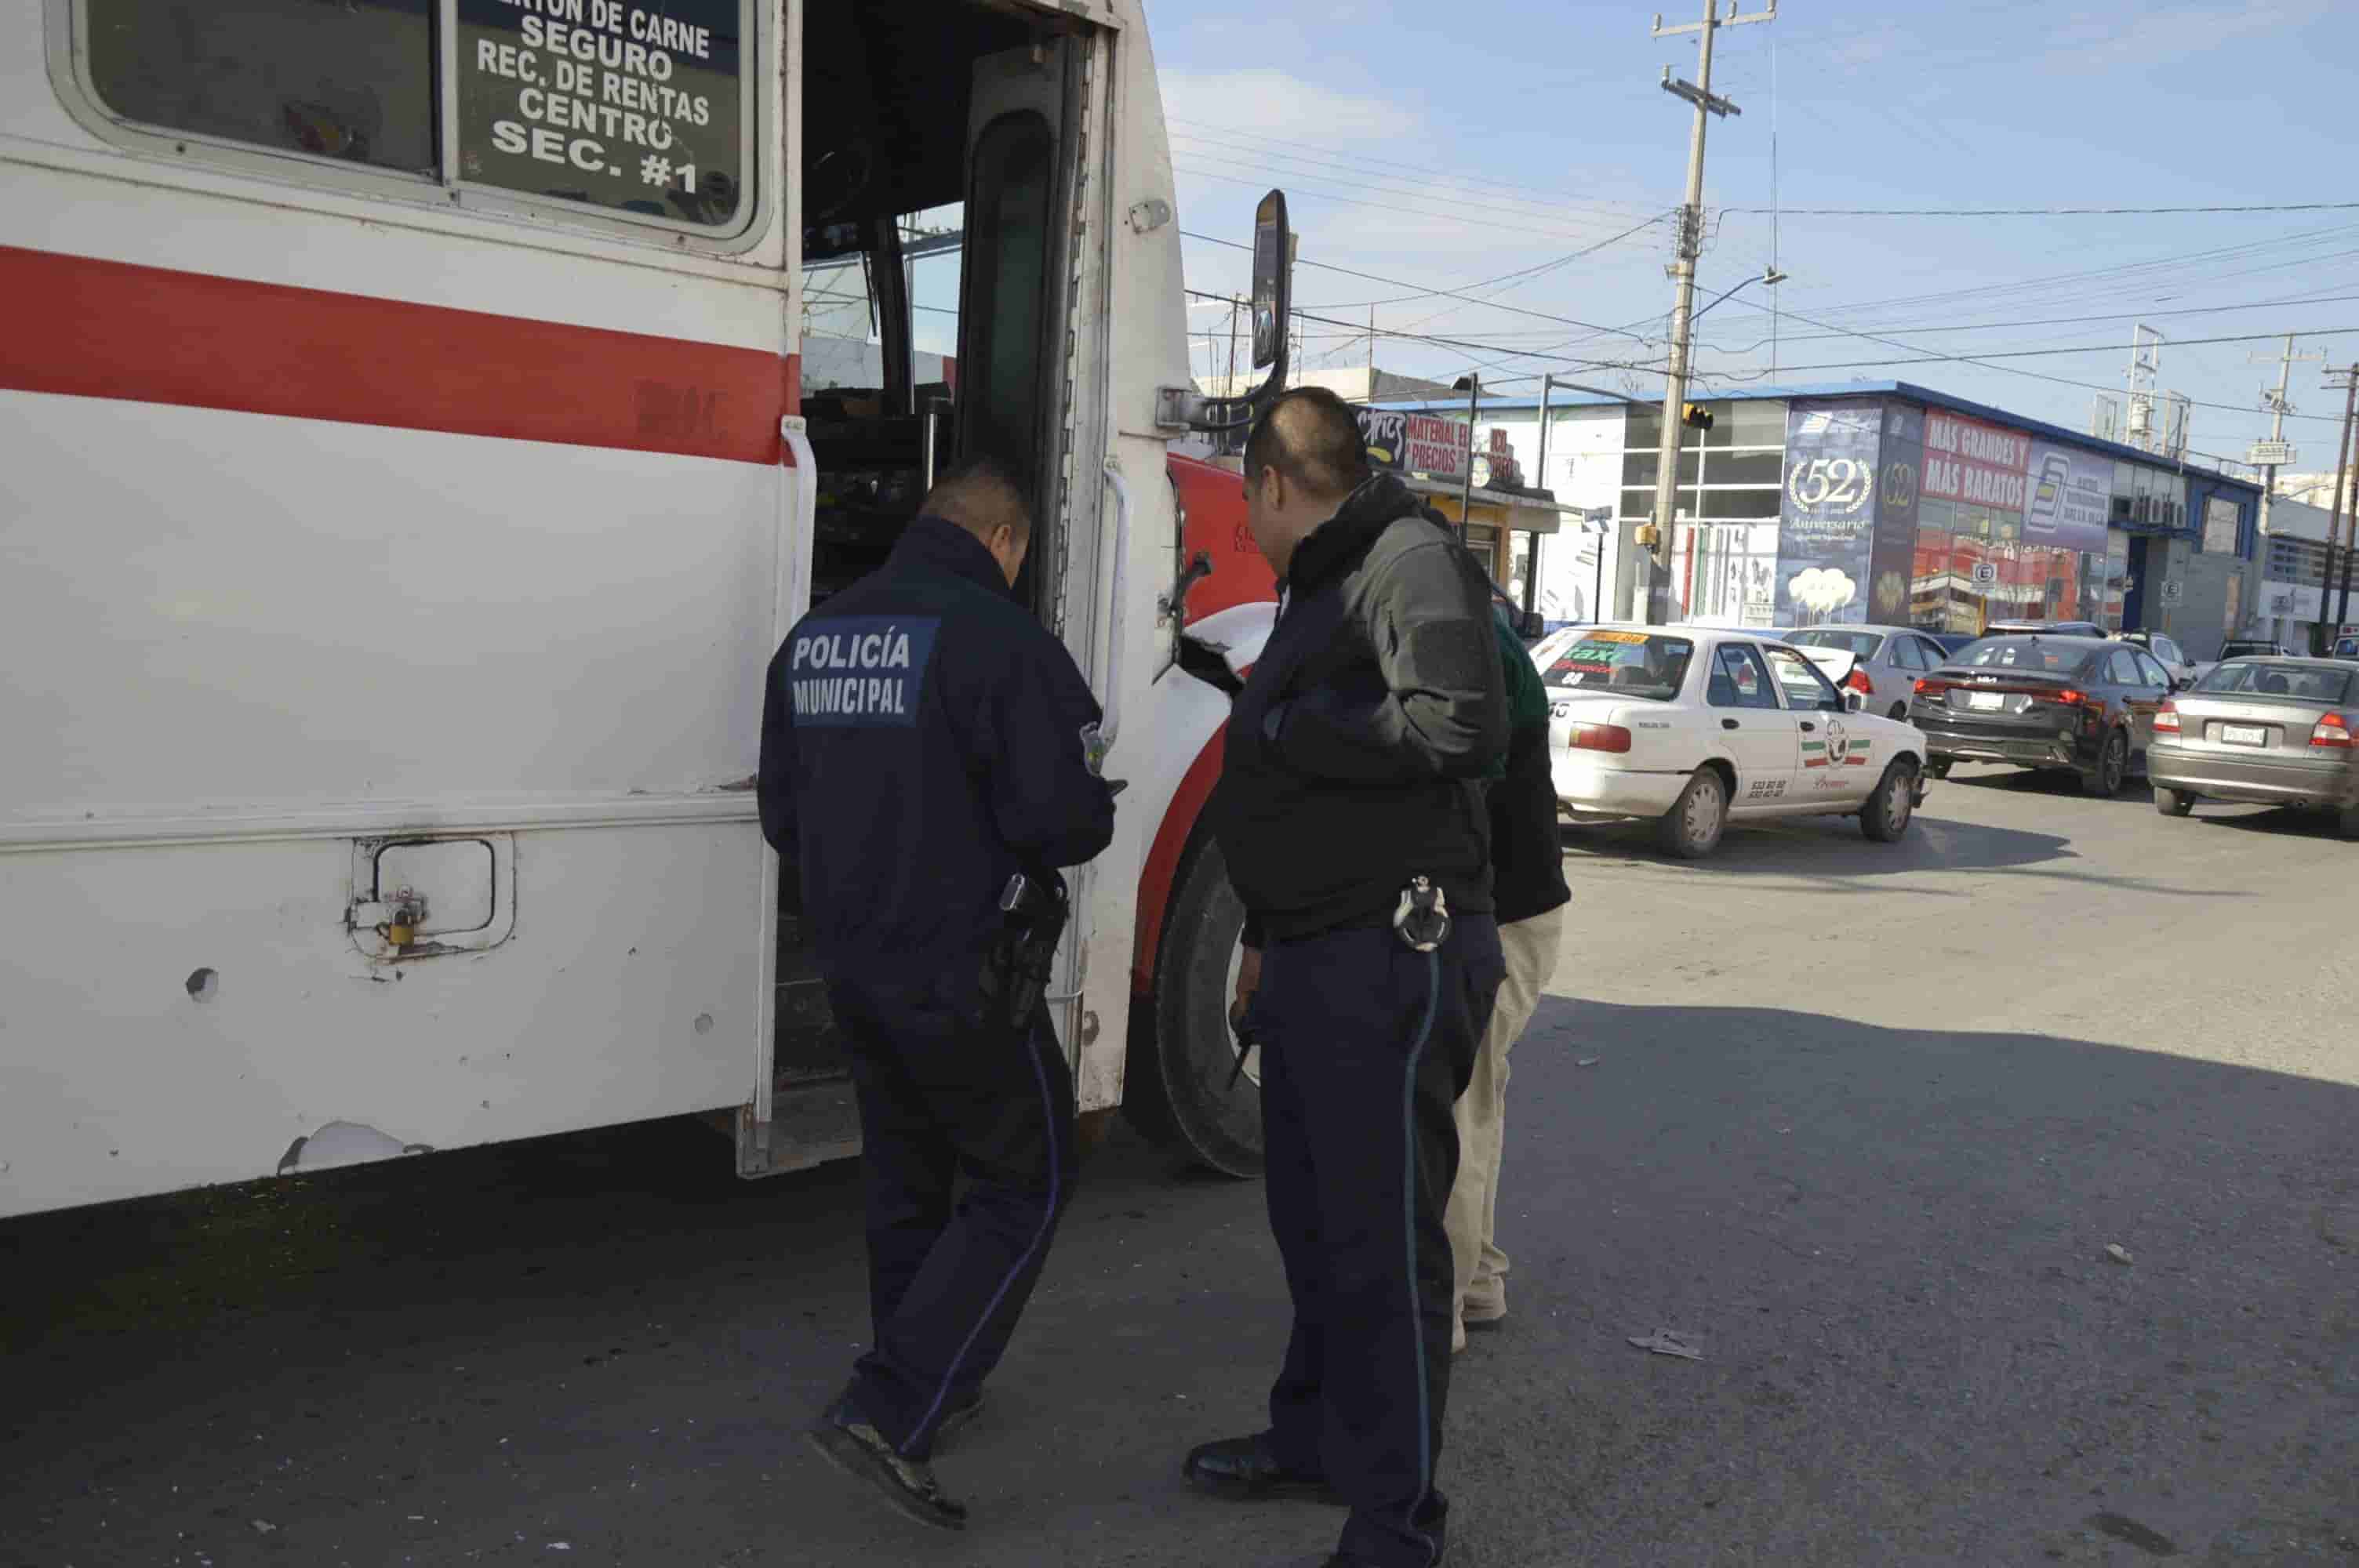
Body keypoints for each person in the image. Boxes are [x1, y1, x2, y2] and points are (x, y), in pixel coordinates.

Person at [1183, 387, 1507, 1568]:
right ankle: (1316, 1440)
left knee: (1382, 1247)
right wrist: (1265, 930)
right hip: (1321, 948)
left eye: (1246, 504)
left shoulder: (1407, 559)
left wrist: (1288, 733)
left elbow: (1461, 726)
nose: (1243, 528)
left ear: (1275, 482)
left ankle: (1396, 1524)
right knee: (1317, 1228)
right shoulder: (1328, 574)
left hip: (1394, 954)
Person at [758, 458, 1115, 1531]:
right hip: (965, 971)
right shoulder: (1001, 641)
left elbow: (783, 816)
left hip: (855, 965)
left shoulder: (814, 638)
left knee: (908, 1177)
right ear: (1004, 541)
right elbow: (1066, 824)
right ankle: (893, 1406)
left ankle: (924, 1381)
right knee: (1029, 1176)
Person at [1445, 606, 1571, 1353]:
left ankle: (1444, 1304)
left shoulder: (1466, 648)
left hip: (1501, 917)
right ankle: (1480, 1279)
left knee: (1459, 1110)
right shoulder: (1476, 633)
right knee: (1477, 1101)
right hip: (1515, 913)